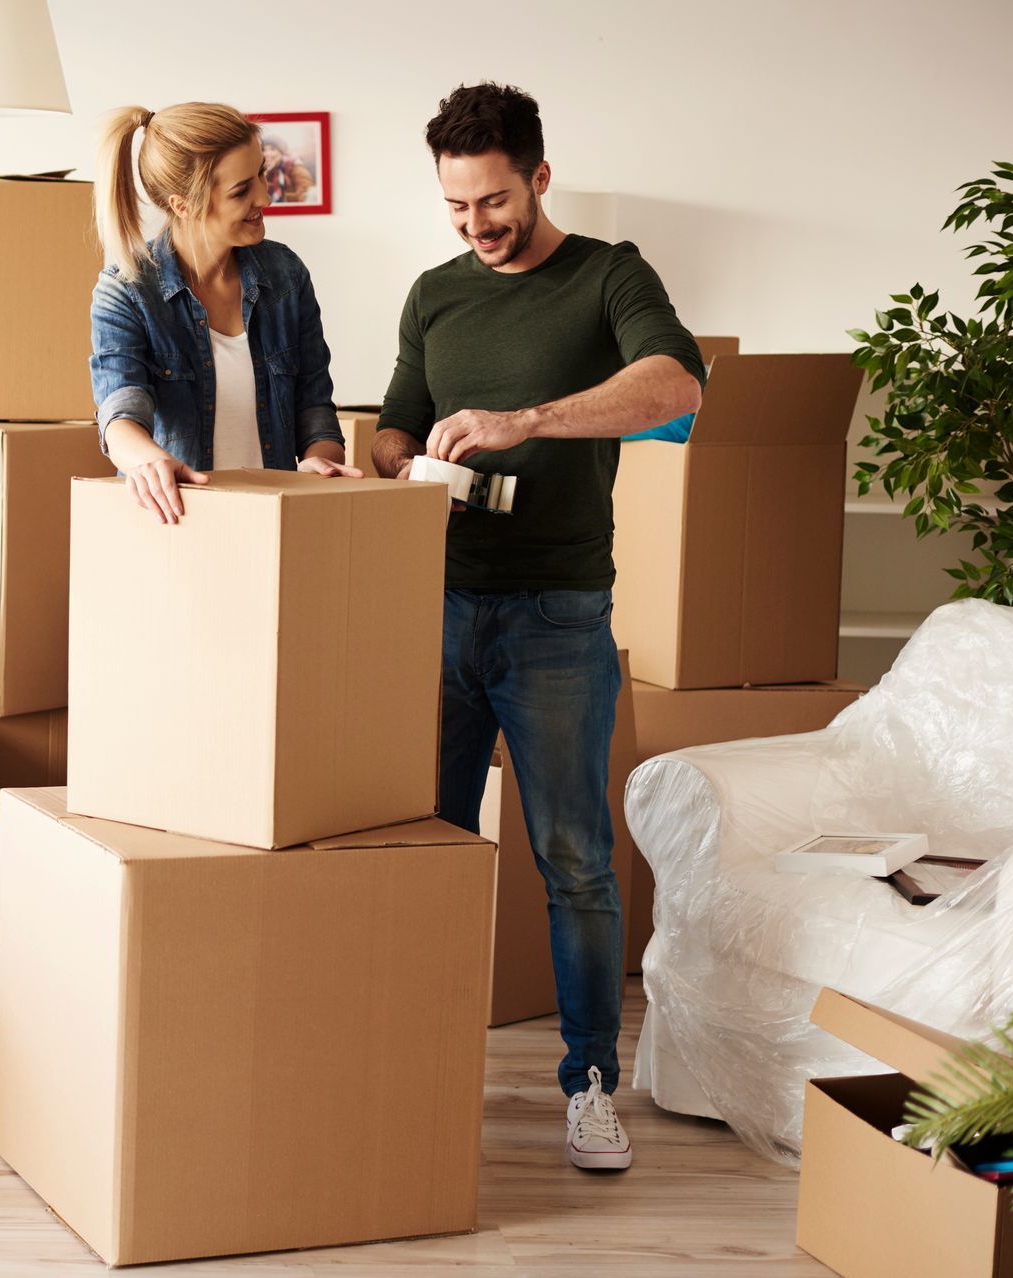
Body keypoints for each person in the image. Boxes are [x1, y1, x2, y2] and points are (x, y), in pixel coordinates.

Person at [372, 82, 706, 1172]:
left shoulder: (609, 273)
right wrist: (382, 461)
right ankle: (406, 1068)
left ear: (540, 175)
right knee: (422, 847)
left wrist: (526, 421)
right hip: (439, 607)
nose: (477, 226)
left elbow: (677, 387)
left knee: (573, 860)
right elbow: (395, 426)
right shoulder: (434, 294)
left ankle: (591, 1087)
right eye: (458, 207)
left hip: (560, 620)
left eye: (494, 201)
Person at [90, 102, 357, 524]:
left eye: (262, 175)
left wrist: (319, 463)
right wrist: (149, 462)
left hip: (278, 523)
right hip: (179, 525)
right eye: (241, 190)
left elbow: (315, 409)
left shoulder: (286, 275)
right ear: (184, 206)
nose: (265, 197)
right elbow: (121, 410)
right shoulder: (126, 291)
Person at [260, 137, 315, 204]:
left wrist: (285, 198)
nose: (267, 154)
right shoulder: (260, 171)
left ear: (282, 153)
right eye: (263, 150)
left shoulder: (296, 168)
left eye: (272, 149)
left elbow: (307, 197)